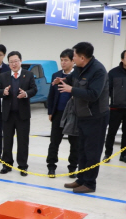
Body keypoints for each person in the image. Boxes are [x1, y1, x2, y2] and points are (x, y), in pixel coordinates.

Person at [55, 42, 110, 193]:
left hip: (96, 117)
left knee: (92, 151)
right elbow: (72, 79)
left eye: (74, 56)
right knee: (82, 150)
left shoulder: (98, 70)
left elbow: (93, 94)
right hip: (83, 115)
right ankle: (81, 179)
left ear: (82, 57)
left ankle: (90, 183)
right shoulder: (79, 68)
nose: (72, 59)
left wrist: (71, 89)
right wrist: (62, 81)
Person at [0, 51, 37, 177]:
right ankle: (6, 165)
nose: (13, 64)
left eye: (16, 61)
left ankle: (23, 166)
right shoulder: (3, 76)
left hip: (22, 115)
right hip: (8, 115)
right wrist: (3, 92)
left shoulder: (28, 74)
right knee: (7, 141)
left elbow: (34, 89)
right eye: (11, 62)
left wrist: (26, 94)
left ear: (20, 62)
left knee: (23, 141)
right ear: (8, 64)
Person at [46, 49, 78, 178]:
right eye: (61, 60)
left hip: (73, 114)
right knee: (54, 141)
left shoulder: (77, 75)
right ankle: (51, 166)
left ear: (72, 61)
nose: (63, 63)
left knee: (74, 143)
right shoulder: (56, 75)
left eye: (66, 60)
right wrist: (50, 111)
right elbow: (51, 95)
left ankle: (72, 168)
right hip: (58, 112)